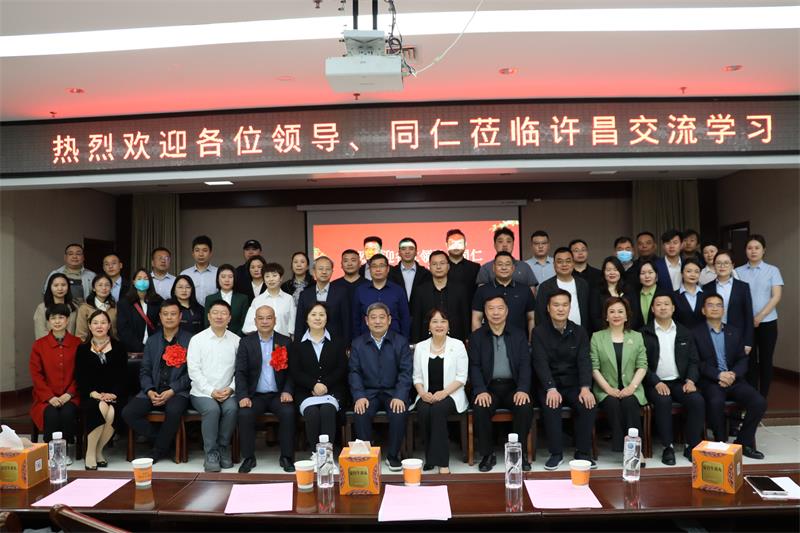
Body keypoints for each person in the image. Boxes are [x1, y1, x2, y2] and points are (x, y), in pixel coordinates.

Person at [693, 294, 766, 459]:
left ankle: (743, 443)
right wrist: (719, 375)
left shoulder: (734, 331)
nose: (715, 308)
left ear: (723, 310)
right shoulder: (695, 333)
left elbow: (743, 359)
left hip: (734, 380)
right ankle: (720, 443)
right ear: (703, 310)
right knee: (715, 402)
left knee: (759, 402)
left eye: (718, 305)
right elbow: (697, 363)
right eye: (710, 305)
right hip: (711, 381)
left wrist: (732, 374)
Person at [531, 290, 597, 470]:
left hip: (574, 383)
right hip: (550, 384)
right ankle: (556, 453)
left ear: (570, 307)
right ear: (548, 308)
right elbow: (540, 363)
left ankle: (583, 453)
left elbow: (584, 361)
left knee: (587, 404)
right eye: (556, 305)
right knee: (552, 404)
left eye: (564, 305)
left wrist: (585, 387)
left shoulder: (579, 331)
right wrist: (550, 388)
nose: (560, 309)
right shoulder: (539, 332)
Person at [122, 300, 192, 462]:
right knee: (128, 413)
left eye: (173, 314)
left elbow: (192, 373)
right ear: (160, 316)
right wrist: (149, 390)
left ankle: (158, 450)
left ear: (180, 316)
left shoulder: (191, 340)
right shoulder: (152, 341)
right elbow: (145, 371)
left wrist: (172, 390)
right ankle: (164, 440)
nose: (169, 317)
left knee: (174, 411)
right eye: (165, 314)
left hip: (177, 391)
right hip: (153, 390)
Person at [469, 295, 533, 472]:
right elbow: (474, 366)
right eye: (491, 308)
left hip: (513, 387)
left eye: (500, 308)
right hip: (488, 388)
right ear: (485, 312)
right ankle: (487, 454)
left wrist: (523, 389)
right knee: (480, 406)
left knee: (524, 405)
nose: (495, 312)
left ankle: (519, 455)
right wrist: (480, 390)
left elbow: (525, 364)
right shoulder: (477, 336)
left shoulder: (518, 334)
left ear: (507, 311)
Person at [641, 294, 705, 464]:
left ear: (673, 308)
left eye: (666, 304)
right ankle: (667, 447)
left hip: (680, 382)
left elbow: (694, 361)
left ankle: (691, 445)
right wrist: (656, 382)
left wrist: (690, 380)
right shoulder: (644, 333)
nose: (663, 307)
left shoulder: (684, 332)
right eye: (658, 304)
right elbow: (640, 364)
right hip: (655, 383)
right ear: (652, 309)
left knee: (697, 400)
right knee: (663, 401)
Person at [349, 302, 413, 471]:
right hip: (368, 392)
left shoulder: (400, 342)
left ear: (389, 320)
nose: (377, 321)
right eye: (373, 318)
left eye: (382, 317)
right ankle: (367, 456)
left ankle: (393, 456)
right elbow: (354, 372)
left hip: (393, 392)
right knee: (361, 411)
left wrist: (400, 395)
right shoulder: (358, 343)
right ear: (366, 321)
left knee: (399, 411)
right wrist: (359, 396)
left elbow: (406, 372)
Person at [235, 304, 295, 473]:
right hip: (255, 395)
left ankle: (286, 457)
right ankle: (248, 458)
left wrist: (288, 390)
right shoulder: (246, 342)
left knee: (288, 412)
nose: (265, 321)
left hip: (279, 394)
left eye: (269, 318)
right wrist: (243, 396)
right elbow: (240, 372)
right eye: (260, 318)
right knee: (244, 414)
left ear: (275, 320)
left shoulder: (285, 342)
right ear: (255, 321)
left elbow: (292, 371)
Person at [411, 308, 468, 474]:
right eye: (435, 321)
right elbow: (417, 377)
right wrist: (422, 394)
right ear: (429, 325)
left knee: (437, 410)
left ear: (448, 325)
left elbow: (461, 377)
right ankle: (430, 458)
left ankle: (442, 463)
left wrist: (443, 393)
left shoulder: (457, 345)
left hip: (451, 394)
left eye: (443, 321)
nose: (439, 325)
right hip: (426, 394)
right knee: (423, 410)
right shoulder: (421, 347)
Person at [289, 303, 348, 463]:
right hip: (306, 392)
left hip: (332, 390)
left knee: (328, 410)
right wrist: (313, 385)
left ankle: (327, 458)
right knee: (312, 413)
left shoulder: (337, 342)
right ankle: (317, 455)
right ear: (306, 318)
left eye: (321, 314)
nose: (317, 318)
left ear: (327, 318)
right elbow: (295, 371)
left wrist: (325, 385)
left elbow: (341, 368)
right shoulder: (297, 344)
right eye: (313, 314)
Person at [188, 300, 241, 472]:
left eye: (223, 313)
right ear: (209, 316)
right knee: (212, 410)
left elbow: (241, 371)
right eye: (215, 313)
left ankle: (223, 448)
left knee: (232, 409)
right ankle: (211, 453)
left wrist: (231, 388)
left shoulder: (236, 341)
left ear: (229, 318)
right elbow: (194, 371)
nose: (219, 316)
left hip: (228, 392)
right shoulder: (197, 340)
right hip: (202, 392)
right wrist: (211, 391)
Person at [590, 297, 648, 453]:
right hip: (605, 389)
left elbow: (642, 365)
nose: (616, 315)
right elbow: (594, 368)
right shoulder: (597, 337)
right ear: (606, 316)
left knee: (629, 403)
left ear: (627, 316)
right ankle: (623, 448)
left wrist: (632, 387)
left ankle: (636, 451)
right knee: (613, 403)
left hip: (632, 387)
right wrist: (608, 389)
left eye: (620, 311)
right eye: (612, 312)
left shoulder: (636, 337)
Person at [75, 310, 126, 469]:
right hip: (91, 394)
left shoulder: (119, 347)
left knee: (112, 412)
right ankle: (90, 453)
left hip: (114, 394)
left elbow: (123, 376)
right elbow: (80, 377)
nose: (99, 326)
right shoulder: (82, 349)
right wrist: (93, 393)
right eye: (95, 323)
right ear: (89, 326)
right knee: (100, 408)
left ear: (109, 325)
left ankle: (98, 451)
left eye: (103, 322)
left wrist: (113, 393)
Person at [29, 304, 81, 457]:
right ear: (48, 321)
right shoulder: (39, 345)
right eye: (53, 318)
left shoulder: (78, 343)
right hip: (45, 398)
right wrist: (49, 397)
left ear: (68, 320)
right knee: (51, 414)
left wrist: (69, 394)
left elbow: (81, 373)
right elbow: (36, 374)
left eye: (61, 317)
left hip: (71, 396)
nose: (57, 321)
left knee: (67, 412)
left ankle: (65, 451)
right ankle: (53, 454)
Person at [735, 235, 784, 398]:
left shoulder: (773, 270)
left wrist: (760, 316)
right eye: (750, 248)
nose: (753, 251)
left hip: (767, 322)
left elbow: (776, 296)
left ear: (764, 250)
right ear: (745, 251)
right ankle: (752, 395)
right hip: (746, 324)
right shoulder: (738, 271)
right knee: (748, 360)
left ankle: (763, 396)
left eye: (757, 248)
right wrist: (749, 319)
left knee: (765, 359)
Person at [472, 252, 536, 339]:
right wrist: (478, 341)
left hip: (519, 341)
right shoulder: (483, 290)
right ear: (493, 268)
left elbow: (531, 318)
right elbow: (477, 318)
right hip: (489, 341)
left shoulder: (525, 290)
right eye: (500, 264)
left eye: (507, 264)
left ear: (513, 268)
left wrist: (531, 341)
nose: (504, 267)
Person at [410, 251, 470, 343]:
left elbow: (465, 316)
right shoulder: (420, 291)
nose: (438, 267)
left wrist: (467, 338)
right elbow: (417, 319)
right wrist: (415, 342)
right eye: (434, 264)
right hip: (427, 341)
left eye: (442, 263)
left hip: (455, 340)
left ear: (448, 266)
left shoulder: (460, 289)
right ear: (429, 267)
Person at [702, 250, 754, 354]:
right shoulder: (707, 288)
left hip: (737, 335)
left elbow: (748, 315)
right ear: (714, 266)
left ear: (732, 265)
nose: (722, 266)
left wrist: (748, 342)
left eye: (726, 263)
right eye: (718, 263)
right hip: (712, 335)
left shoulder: (743, 287)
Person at [351, 254, 410, 340]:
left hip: (394, 341)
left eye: (381, 266)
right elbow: (355, 319)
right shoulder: (360, 291)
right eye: (374, 266)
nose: (378, 269)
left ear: (388, 269)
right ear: (369, 269)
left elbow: (405, 318)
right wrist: (356, 342)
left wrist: (404, 341)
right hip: (366, 341)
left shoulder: (398, 290)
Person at [294, 256, 351, 341]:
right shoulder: (305, 294)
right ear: (314, 271)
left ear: (332, 271)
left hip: (335, 342)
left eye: (327, 269)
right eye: (320, 269)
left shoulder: (342, 293)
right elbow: (300, 322)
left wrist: (347, 344)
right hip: (309, 342)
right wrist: (298, 343)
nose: (324, 272)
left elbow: (346, 321)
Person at [535, 247, 590, 331]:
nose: (564, 264)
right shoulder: (545, 287)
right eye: (560, 261)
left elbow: (589, 312)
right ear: (554, 264)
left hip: (580, 334)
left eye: (568, 261)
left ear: (573, 263)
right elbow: (540, 315)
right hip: (553, 334)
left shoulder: (583, 284)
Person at [242, 263, 296, 337]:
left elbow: (292, 325)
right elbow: (247, 327)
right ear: (264, 280)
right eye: (267, 276)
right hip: (262, 341)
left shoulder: (288, 299)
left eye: (274, 275)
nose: (271, 279)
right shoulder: (257, 300)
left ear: (281, 278)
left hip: (283, 341)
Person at [117, 269, 163, 354]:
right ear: (133, 282)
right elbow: (123, 329)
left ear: (150, 282)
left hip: (155, 348)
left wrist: (153, 345)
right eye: (139, 278)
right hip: (132, 351)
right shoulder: (124, 303)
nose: (142, 281)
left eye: (146, 278)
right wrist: (140, 348)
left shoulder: (158, 301)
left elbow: (161, 325)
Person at [590, 256, 633, 332]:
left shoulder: (629, 290)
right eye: (608, 270)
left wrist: (624, 331)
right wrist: (608, 332)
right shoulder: (596, 291)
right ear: (604, 272)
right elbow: (595, 317)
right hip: (603, 333)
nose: (612, 273)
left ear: (620, 271)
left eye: (615, 270)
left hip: (627, 332)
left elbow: (634, 315)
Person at [203, 264, 248, 337]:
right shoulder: (210, 299)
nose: (227, 280)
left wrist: (235, 338)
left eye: (230, 277)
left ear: (234, 279)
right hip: (215, 338)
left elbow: (244, 323)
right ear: (218, 279)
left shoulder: (243, 298)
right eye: (223, 277)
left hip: (237, 339)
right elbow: (207, 323)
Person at [75, 274, 118, 342]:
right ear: (94, 288)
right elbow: (81, 335)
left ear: (111, 288)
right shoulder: (84, 308)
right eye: (100, 285)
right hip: (90, 346)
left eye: (107, 285)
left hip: (111, 345)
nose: (104, 288)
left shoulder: (115, 308)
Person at [34, 273, 78, 339]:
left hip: (72, 344)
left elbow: (77, 332)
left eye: (63, 285)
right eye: (56, 285)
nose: (60, 288)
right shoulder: (42, 308)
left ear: (68, 287)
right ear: (50, 287)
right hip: (47, 344)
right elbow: (40, 332)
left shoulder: (74, 308)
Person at [389, 237, 432, 302]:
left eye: (411, 249)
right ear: (399, 253)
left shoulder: (426, 274)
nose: (407, 252)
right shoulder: (390, 273)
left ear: (416, 252)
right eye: (403, 249)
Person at [180, 235, 218, 305]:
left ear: (210, 253)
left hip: (213, 310)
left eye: (205, 250)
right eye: (197, 250)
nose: (201, 254)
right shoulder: (184, 274)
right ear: (193, 253)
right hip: (191, 311)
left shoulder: (218, 273)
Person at [445, 229, 480, 303]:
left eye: (459, 243)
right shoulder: (440, 268)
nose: (456, 246)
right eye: (452, 243)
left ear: (465, 244)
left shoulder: (475, 268)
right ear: (446, 245)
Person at [673, 258, 706, 329]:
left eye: (696, 272)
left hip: (702, 335)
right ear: (682, 273)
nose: (693, 274)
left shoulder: (706, 296)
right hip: (681, 334)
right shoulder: (673, 296)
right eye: (689, 271)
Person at [629, 260, 659, 331]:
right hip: (637, 333)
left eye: (650, 272)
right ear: (639, 277)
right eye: (643, 273)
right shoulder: (632, 295)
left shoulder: (664, 294)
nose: (647, 276)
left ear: (656, 276)